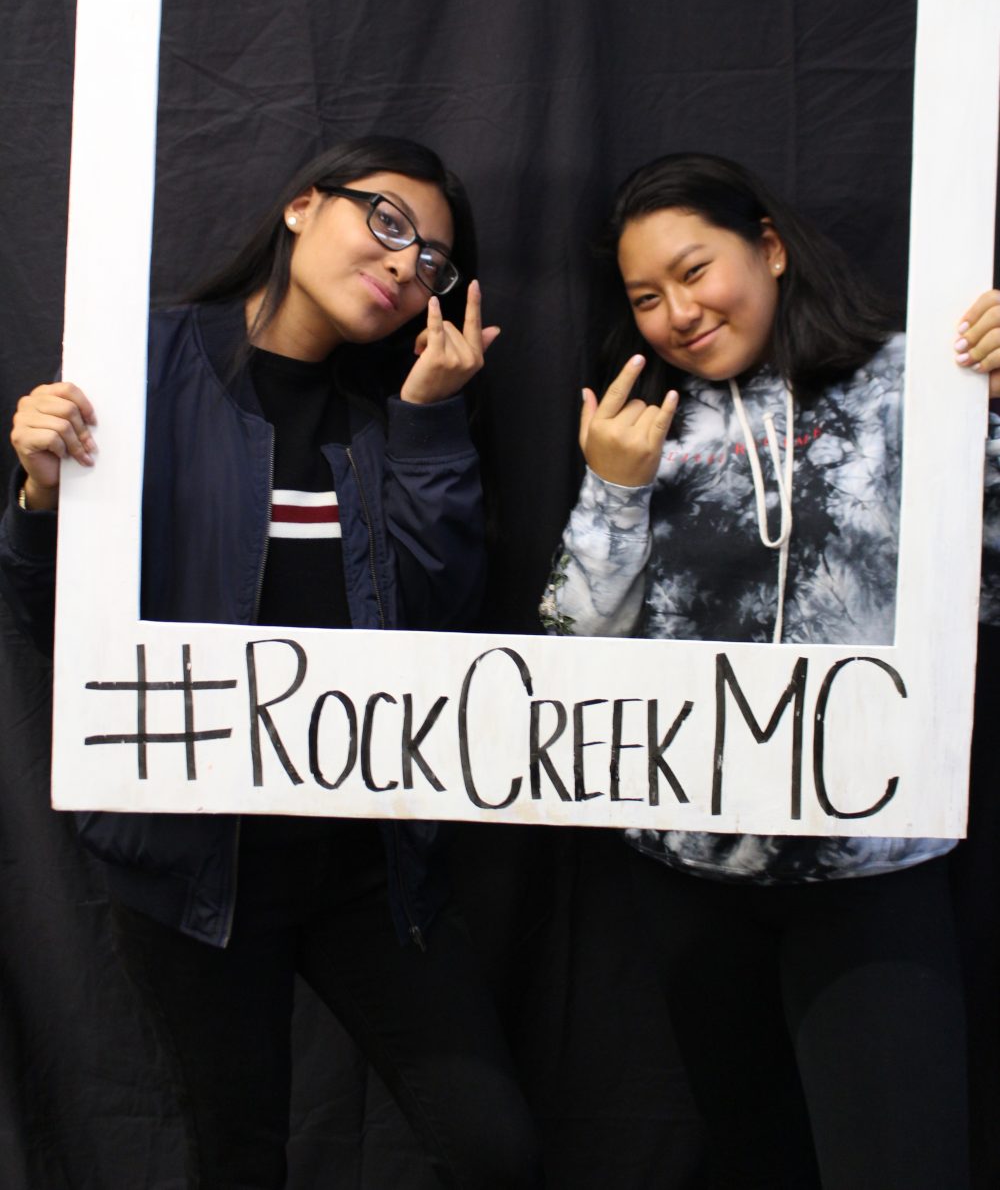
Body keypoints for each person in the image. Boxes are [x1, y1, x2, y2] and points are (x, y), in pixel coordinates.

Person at [1, 136, 540, 1190]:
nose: (404, 264)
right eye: (386, 222)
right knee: (236, 1154)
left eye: (432, 260)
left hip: (368, 867)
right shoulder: (143, 363)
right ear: (302, 206)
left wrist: (431, 420)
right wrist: (39, 499)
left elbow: (439, 626)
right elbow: (52, 630)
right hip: (195, 869)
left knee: (493, 1145)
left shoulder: (397, 415)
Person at [540, 151, 1000, 1190]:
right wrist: (613, 492)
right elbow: (577, 650)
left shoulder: (913, 383)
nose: (677, 313)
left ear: (772, 247)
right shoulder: (645, 423)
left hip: (873, 869)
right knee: (753, 1162)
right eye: (645, 297)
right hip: (691, 879)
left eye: (695, 271)